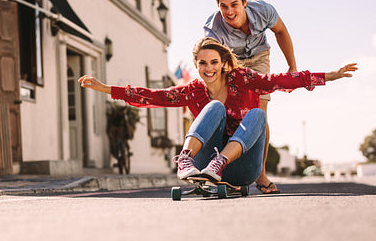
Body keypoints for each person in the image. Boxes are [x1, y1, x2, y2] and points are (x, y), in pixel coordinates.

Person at [78, 37, 357, 186]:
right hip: (203, 165)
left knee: (258, 114)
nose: (208, 68)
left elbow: (279, 81)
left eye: (213, 62)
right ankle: (185, 161)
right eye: (202, 63)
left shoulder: (243, 78)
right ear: (196, 65)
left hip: (240, 168)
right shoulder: (194, 90)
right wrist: (105, 88)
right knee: (212, 106)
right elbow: (155, 97)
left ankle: (219, 164)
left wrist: (329, 76)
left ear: (224, 64)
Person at [203, 0, 296, 193]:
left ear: (244, 2)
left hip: (259, 57)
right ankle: (233, 173)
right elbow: (210, 61)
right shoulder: (213, 29)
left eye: (234, 4)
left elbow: (281, 32)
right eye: (223, 6)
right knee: (232, 113)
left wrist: (292, 68)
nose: (229, 12)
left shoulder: (263, 10)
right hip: (230, 61)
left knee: (258, 112)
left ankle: (260, 174)